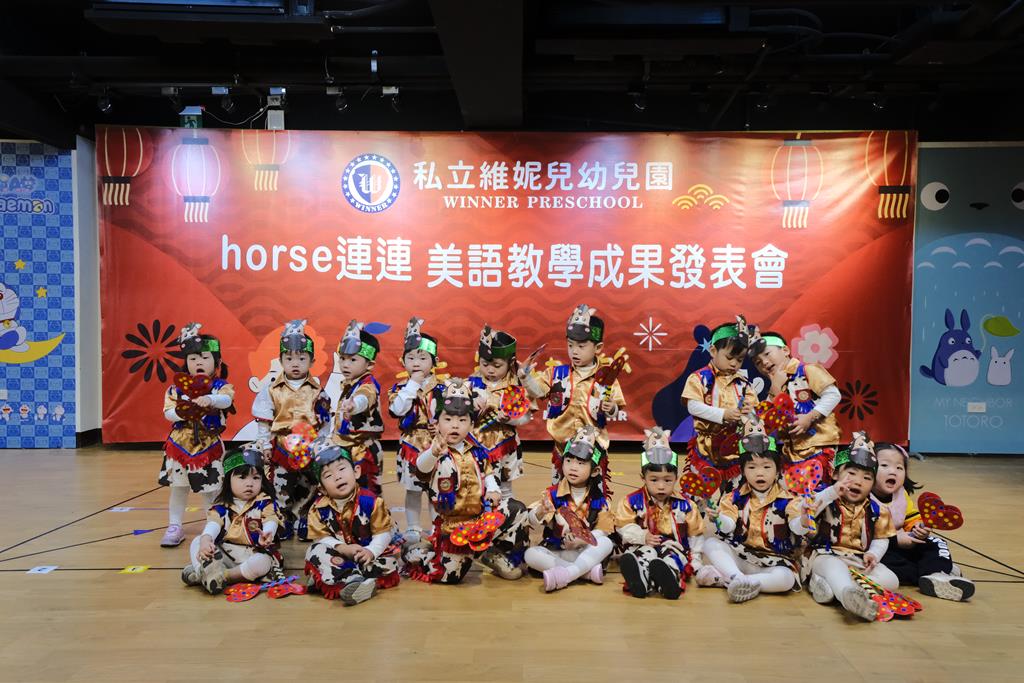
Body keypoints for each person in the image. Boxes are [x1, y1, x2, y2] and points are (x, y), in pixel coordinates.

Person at [159, 322, 235, 548]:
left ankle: (213, 526)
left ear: (216, 362)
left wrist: (210, 399)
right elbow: (168, 413)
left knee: (210, 491)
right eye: (193, 358)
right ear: (186, 362)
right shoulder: (175, 389)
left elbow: (226, 400)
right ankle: (174, 525)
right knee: (178, 488)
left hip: (208, 446)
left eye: (204, 357)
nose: (198, 362)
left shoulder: (220, 386)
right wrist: (183, 411)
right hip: (179, 447)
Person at [871, 442, 975, 601]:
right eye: (884, 465)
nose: (893, 471)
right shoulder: (864, 496)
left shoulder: (900, 495)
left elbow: (911, 517)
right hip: (879, 547)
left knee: (936, 542)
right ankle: (937, 571)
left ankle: (937, 574)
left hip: (905, 542)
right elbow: (864, 532)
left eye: (899, 467)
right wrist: (894, 538)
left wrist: (918, 528)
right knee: (900, 567)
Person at [614, 427, 705, 600]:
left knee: (671, 559)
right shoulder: (631, 501)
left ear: (676, 478)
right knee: (643, 556)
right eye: (654, 480)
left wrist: (696, 561)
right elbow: (622, 526)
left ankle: (669, 580)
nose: (661, 486)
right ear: (643, 478)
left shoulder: (686, 505)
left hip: (674, 547)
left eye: (668, 480)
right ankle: (640, 579)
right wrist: (642, 536)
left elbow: (696, 534)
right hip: (642, 544)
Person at [183, 446, 280, 594]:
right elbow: (214, 523)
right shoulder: (222, 505)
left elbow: (271, 519)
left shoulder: (264, 502)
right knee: (198, 541)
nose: (250, 483)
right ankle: (205, 572)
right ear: (228, 479)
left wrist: (268, 533)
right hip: (224, 554)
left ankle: (220, 576)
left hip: (251, 554)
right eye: (242, 477)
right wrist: (206, 540)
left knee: (262, 562)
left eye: (256, 478)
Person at [330, 320, 385, 494]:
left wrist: (354, 405)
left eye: (353, 359)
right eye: (342, 359)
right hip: (345, 447)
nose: (345, 364)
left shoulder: (368, 385)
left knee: (367, 493)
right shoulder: (350, 383)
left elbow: (364, 398)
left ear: (369, 365)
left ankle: (372, 511)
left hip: (363, 450)